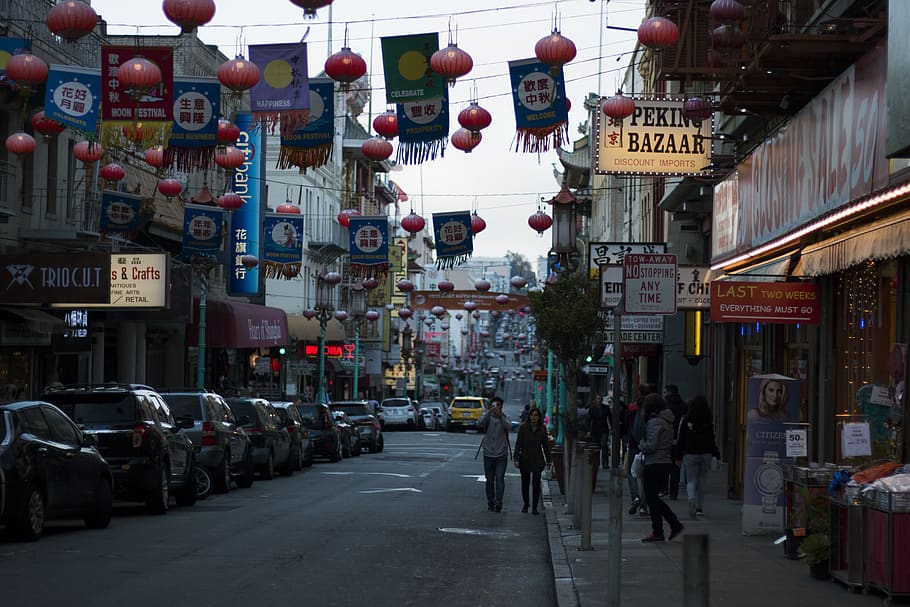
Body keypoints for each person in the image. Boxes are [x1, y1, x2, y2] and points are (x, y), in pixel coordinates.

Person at [637, 392, 685, 543]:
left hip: (654, 463)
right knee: (654, 499)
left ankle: (660, 530)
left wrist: (641, 445)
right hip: (664, 462)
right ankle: (672, 524)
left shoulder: (655, 422)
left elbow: (651, 445)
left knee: (652, 499)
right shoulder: (668, 421)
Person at [677, 395, 721, 518]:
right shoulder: (708, 421)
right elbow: (712, 439)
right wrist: (716, 454)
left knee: (691, 480)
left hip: (690, 453)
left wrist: (678, 455)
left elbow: (681, 439)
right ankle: (699, 507)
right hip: (706, 452)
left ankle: (691, 499)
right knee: (702, 479)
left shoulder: (686, 420)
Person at [513, 406, 551, 514]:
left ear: (539, 417)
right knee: (525, 483)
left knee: (536, 483)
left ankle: (534, 507)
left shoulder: (542, 429)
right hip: (525, 458)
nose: (534, 417)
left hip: (537, 459)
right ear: (529, 416)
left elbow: (546, 446)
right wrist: (516, 458)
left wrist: (549, 461)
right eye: (532, 415)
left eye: (536, 415)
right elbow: (518, 444)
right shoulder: (523, 428)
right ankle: (526, 504)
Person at [478, 396, 512, 512]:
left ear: (501, 406)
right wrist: (488, 413)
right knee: (490, 479)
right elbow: (479, 423)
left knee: (499, 477)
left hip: (501, 453)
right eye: (493, 405)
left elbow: (509, 426)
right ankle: (490, 501)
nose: (495, 408)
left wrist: (500, 416)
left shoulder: (505, 417)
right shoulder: (487, 417)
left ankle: (499, 501)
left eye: (497, 405)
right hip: (488, 453)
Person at [624, 383, 652, 516]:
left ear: (639, 393)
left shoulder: (632, 407)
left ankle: (635, 497)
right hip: (648, 445)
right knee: (645, 476)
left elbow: (625, 425)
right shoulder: (652, 408)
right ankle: (643, 506)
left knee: (631, 472)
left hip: (634, 444)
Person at [664, 384, 687, 499]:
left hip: (666, 439)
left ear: (669, 392)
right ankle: (674, 492)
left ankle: (663, 488)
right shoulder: (683, 405)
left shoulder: (665, 405)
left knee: (664, 464)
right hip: (679, 439)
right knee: (676, 466)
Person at [584, 394, 610, 469]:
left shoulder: (606, 408)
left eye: (600, 399)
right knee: (596, 446)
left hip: (604, 429)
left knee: (604, 445)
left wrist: (611, 428)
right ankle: (596, 463)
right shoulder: (592, 409)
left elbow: (610, 417)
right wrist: (588, 430)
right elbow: (588, 420)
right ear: (595, 400)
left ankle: (605, 463)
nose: (599, 400)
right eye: (598, 399)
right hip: (595, 430)